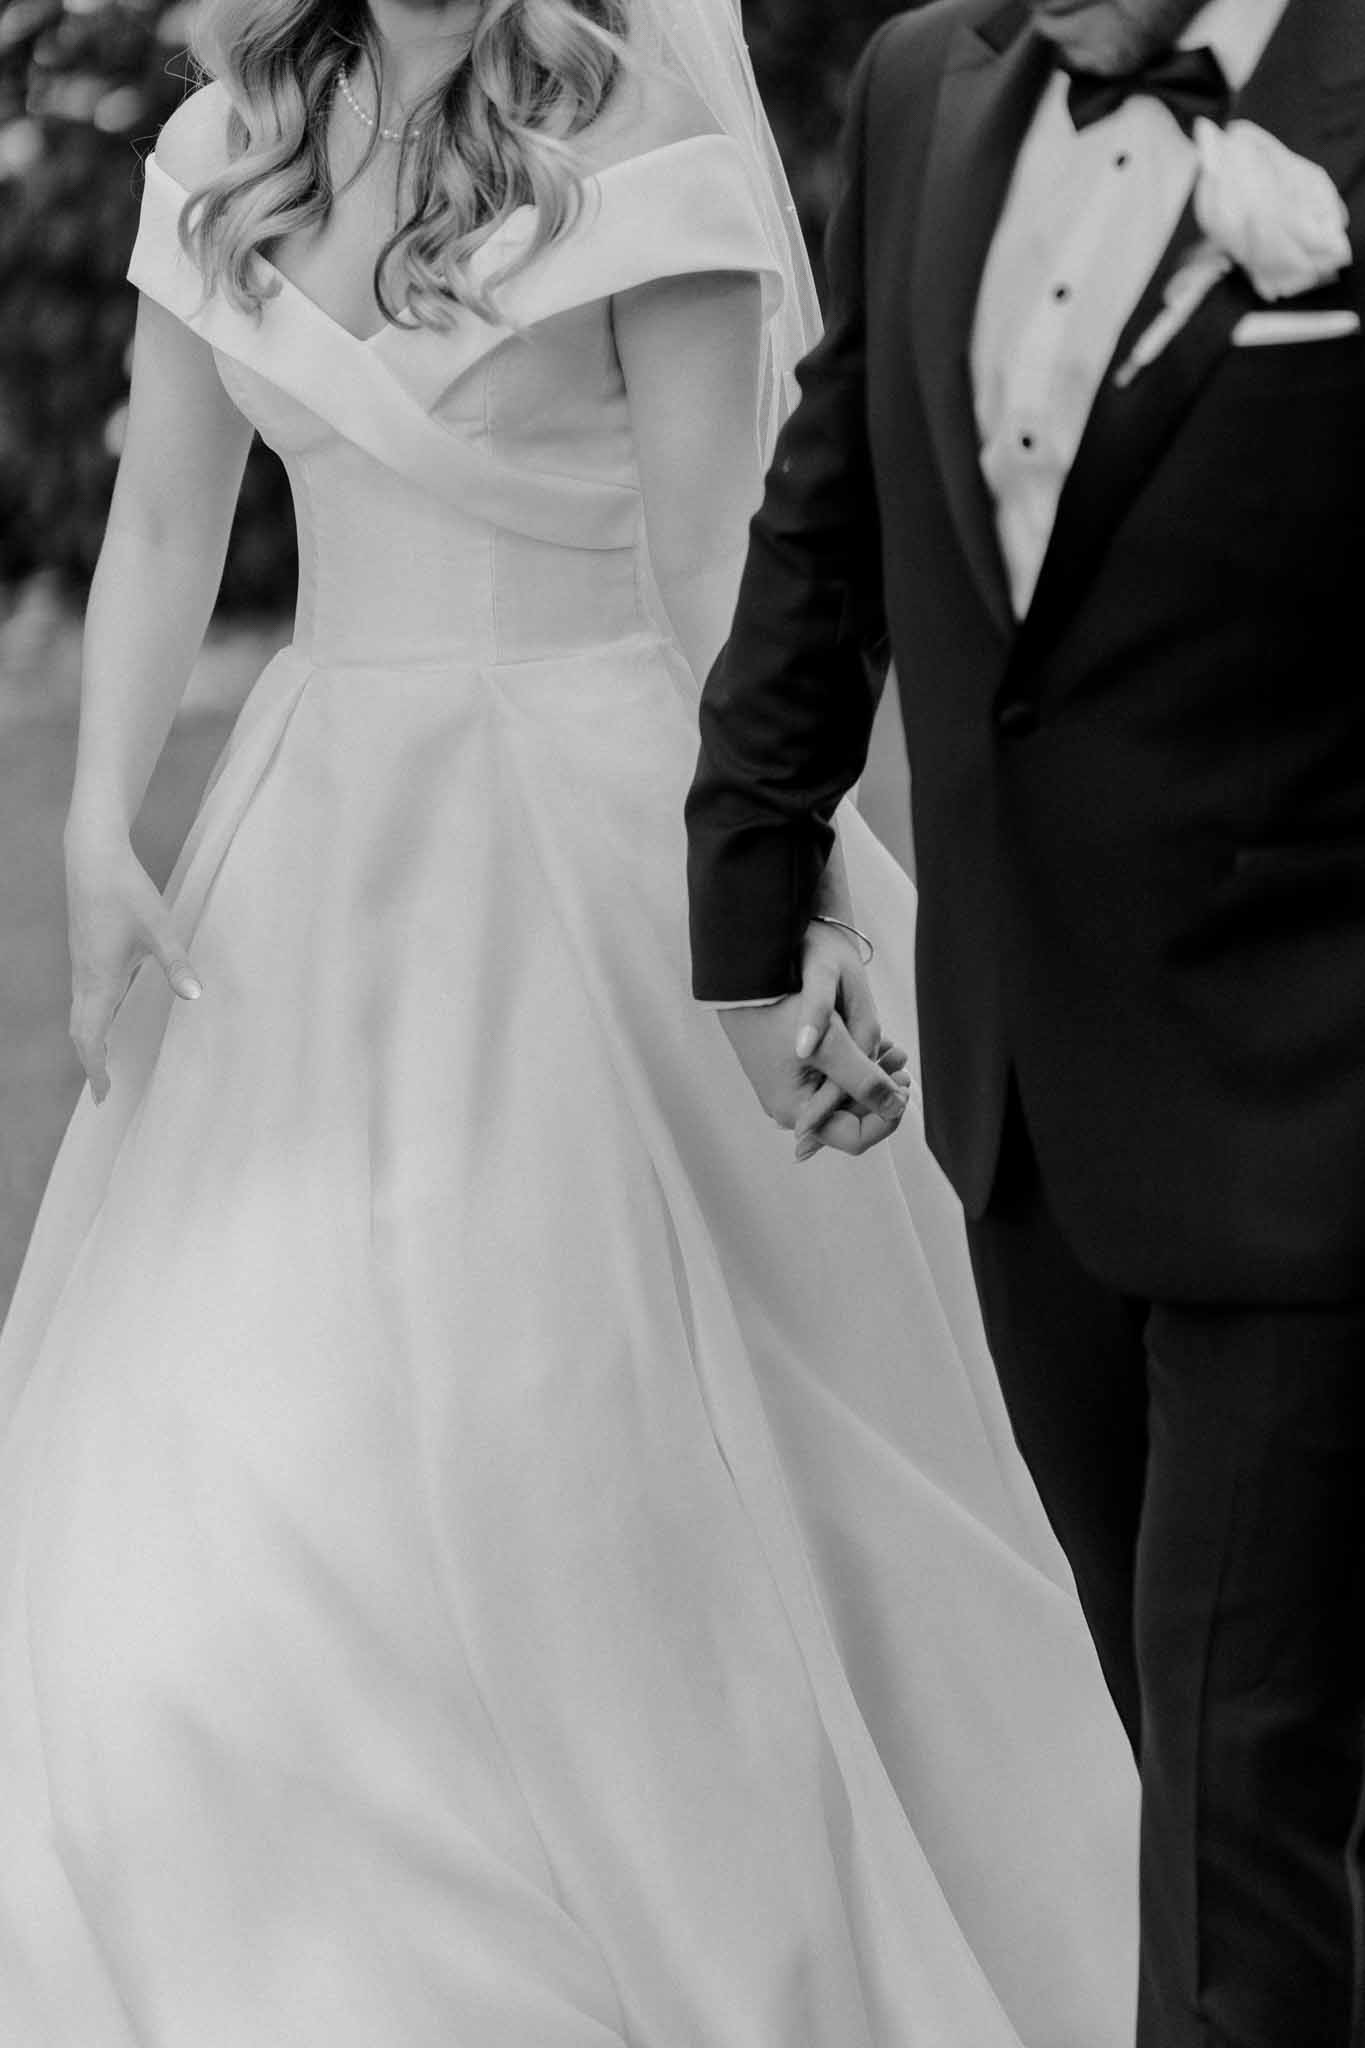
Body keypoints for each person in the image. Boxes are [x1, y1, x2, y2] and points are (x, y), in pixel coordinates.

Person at [0, 1, 1138, 2042]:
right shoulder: (225, 145)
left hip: (606, 824)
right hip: (318, 841)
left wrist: (774, 890)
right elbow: (167, 514)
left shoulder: (640, 149)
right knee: (240, 1424)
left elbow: (717, 572)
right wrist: (99, 826)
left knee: (584, 1424)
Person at [686, 0, 1365, 2042]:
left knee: (1235, 1791)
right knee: (1205, 1742)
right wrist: (748, 895)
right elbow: (830, 512)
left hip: (1313, 1097)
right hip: (1031, 1106)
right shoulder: (922, 88)